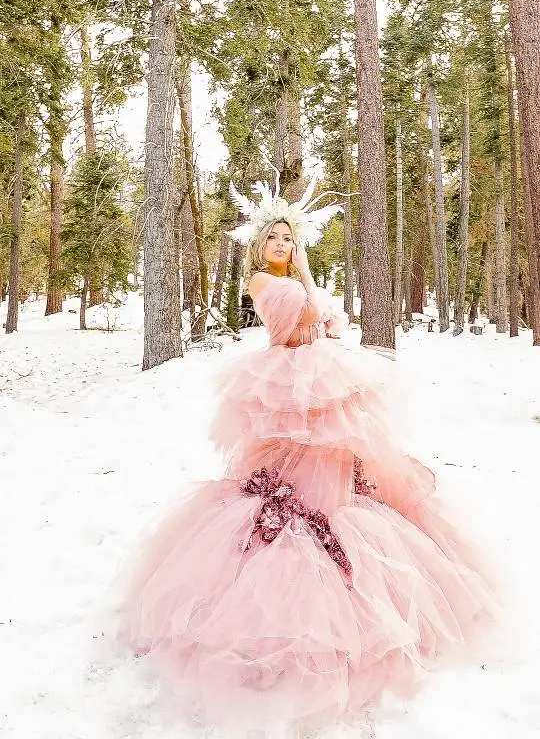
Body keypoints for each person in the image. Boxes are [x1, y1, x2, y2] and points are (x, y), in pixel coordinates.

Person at [122, 177, 498, 734]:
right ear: (260, 247)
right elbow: (300, 318)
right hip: (286, 377)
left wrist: (311, 284)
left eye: (287, 237)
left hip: (319, 375)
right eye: (272, 237)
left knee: (339, 474)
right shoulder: (259, 280)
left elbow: (328, 319)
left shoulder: (295, 275)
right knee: (288, 480)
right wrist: (306, 284)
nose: (280, 243)